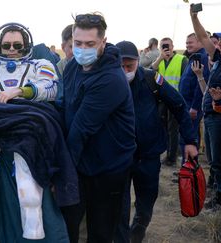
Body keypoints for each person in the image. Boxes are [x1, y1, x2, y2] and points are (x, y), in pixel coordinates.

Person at [0, 22, 58, 240]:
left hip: (27, 122)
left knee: (28, 158)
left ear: (27, 44)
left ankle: (33, 219)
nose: (12, 49)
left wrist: (21, 91)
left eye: (18, 44)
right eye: (6, 46)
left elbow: (50, 88)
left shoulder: (40, 64)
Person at [61, 13, 136, 243]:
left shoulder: (111, 79)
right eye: (78, 43)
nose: (82, 49)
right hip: (83, 162)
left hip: (109, 168)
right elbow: (65, 107)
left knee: (102, 231)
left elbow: (81, 128)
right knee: (70, 224)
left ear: (103, 42)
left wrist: (63, 172)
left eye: (90, 44)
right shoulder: (73, 66)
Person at [114, 40, 198, 243]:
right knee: (118, 204)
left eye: (130, 66)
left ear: (137, 62)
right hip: (119, 157)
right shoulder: (108, 83)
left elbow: (178, 105)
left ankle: (138, 230)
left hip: (148, 154)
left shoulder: (152, 79)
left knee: (147, 198)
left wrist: (189, 140)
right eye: (121, 66)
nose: (126, 71)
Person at [190, 5, 221, 210]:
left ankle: (218, 200)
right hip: (211, 116)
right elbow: (202, 38)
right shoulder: (218, 59)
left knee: (218, 162)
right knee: (214, 161)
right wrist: (193, 17)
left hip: (218, 117)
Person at [151, 37, 188, 166]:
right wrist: (160, 57)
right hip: (162, 99)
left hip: (175, 99)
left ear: (173, 46)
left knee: (173, 129)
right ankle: (164, 151)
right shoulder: (159, 61)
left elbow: (186, 80)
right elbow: (151, 72)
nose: (166, 48)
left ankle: (171, 157)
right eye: (163, 46)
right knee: (162, 127)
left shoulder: (182, 60)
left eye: (168, 45)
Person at [178, 33, 209, 164]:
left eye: (190, 42)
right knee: (186, 137)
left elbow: (200, 85)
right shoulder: (193, 57)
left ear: (201, 43)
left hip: (191, 106)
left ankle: (189, 171)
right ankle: (186, 169)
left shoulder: (201, 58)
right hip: (186, 104)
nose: (187, 45)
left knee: (188, 138)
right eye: (186, 43)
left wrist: (195, 107)